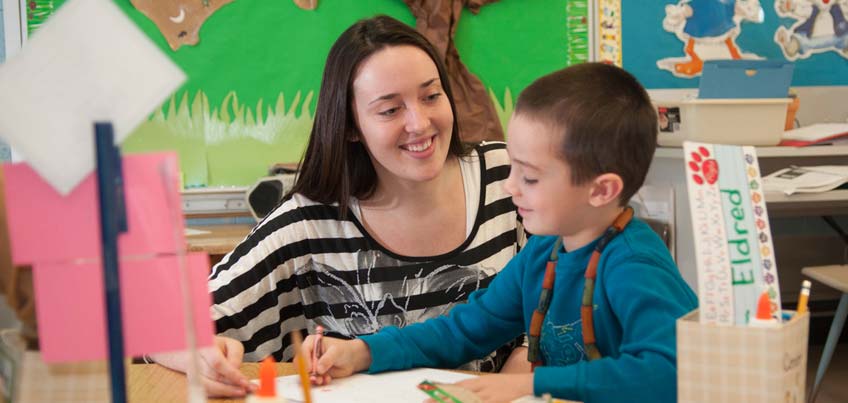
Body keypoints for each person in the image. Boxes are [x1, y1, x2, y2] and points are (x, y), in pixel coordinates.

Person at [151, 15, 526, 397]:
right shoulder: (307, 224)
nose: (420, 122)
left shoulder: (510, 178)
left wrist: (530, 350)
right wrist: (197, 353)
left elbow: (568, 280)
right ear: (349, 126)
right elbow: (161, 327)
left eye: (431, 96)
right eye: (390, 110)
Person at [300, 63, 699, 403]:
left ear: (601, 190)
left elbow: (671, 372)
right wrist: (363, 352)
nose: (510, 186)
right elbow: (465, 328)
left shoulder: (635, 264)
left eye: (529, 176)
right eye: (512, 168)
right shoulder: (544, 251)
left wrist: (526, 384)